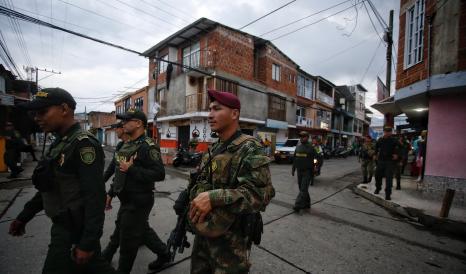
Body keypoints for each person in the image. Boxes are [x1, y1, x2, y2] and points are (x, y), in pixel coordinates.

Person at [8, 88, 117, 273]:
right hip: (62, 225)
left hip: (74, 230)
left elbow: (95, 197)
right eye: (35, 113)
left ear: (64, 109)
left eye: (43, 112)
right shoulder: (60, 143)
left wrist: (88, 243)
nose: (37, 118)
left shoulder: (83, 144)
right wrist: (24, 216)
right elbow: (51, 187)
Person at [187, 89, 275, 274]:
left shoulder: (250, 148)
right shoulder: (214, 149)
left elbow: (260, 195)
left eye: (217, 109)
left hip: (231, 245)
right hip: (204, 236)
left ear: (234, 114)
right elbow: (202, 182)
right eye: (209, 109)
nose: (210, 115)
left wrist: (214, 197)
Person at [113, 109, 170, 273]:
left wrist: (132, 170)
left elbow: (160, 174)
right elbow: (119, 170)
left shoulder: (148, 146)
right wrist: (111, 193)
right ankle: (164, 253)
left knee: (127, 243)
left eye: (127, 120)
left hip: (139, 200)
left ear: (138, 123)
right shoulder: (128, 144)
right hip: (126, 198)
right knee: (142, 231)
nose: (123, 123)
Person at [292, 131, 317, 211]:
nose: (302, 138)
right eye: (301, 136)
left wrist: (315, 168)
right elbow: (295, 159)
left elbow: (315, 159)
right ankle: (307, 203)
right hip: (299, 171)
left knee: (303, 189)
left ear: (307, 137)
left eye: (303, 136)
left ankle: (297, 205)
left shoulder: (311, 147)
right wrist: (293, 169)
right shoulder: (298, 147)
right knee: (302, 188)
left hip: (307, 171)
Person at [374, 126, 400, 200]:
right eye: (386, 131)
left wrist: (397, 154)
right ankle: (378, 188)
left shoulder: (394, 140)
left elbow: (401, 147)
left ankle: (388, 194)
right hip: (381, 160)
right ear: (384, 132)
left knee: (389, 178)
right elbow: (376, 147)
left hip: (390, 161)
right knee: (377, 175)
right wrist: (375, 154)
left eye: (389, 131)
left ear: (391, 132)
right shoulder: (380, 140)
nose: (388, 133)